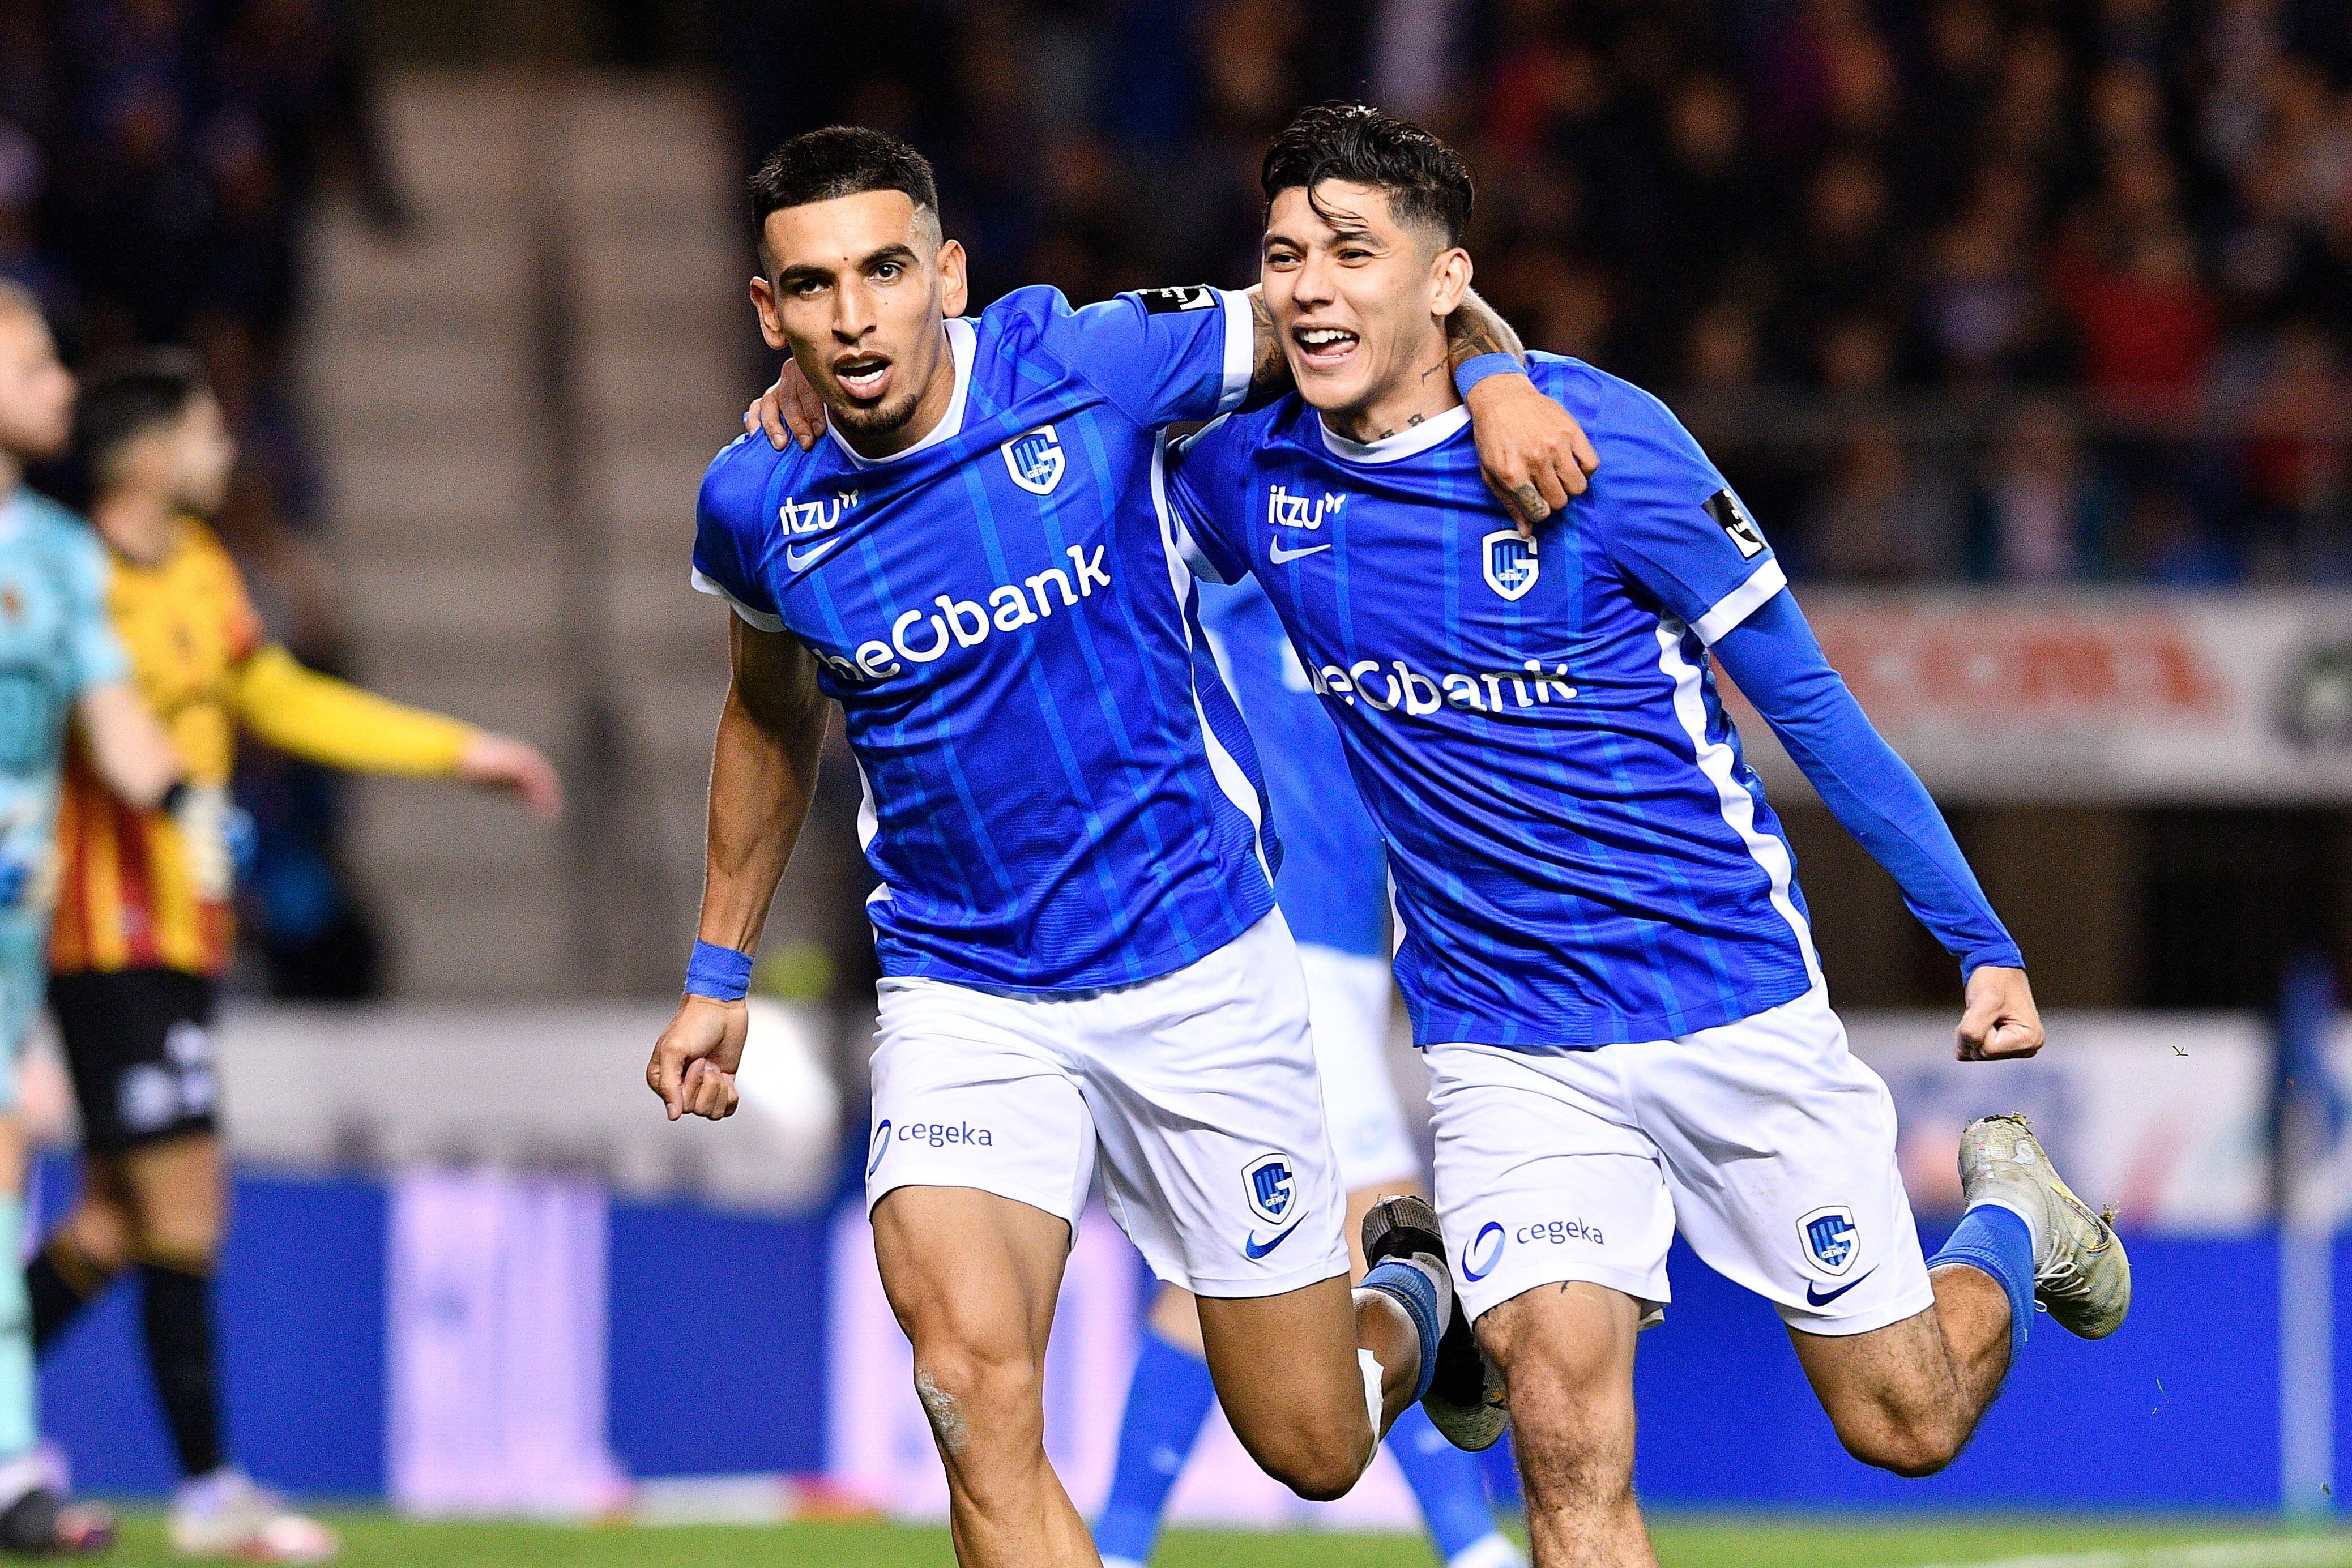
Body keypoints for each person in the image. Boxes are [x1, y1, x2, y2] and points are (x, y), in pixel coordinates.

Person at [1159, 105, 2131, 1567]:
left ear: (1444, 278)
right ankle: (1451, 1306)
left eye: (1352, 251)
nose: (1307, 287)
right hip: (1504, 1039)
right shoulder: (1250, 476)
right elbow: (1069, 447)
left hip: (1723, 995)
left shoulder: (1606, 452)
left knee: (1905, 1421)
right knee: (1563, 1438)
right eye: (1284, 254)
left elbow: (1812, 710)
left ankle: (2008, 1211)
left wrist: (1981, 939)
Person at [650, 126, 1594, 1568]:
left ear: (947, 275)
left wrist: (1498, 375)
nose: (855, 317)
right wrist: (719, 966)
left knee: (1316, 1440)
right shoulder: (755, 501)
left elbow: (1378, 308)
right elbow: (766, 712)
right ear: (767, 310)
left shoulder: (1089, 366)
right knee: (968, 1386)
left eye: (887, 271)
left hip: (1196, 967)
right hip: (966, 995)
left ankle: (1407, 1298)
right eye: (816, 286)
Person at [23, 355, 562, 1564]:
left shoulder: (205, 572)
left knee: (118, 1221)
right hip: (104, 939)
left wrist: (455, 750)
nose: (228, 446)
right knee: (185, 1208)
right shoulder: (66, 578)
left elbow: (281, 697)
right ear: (151, 455)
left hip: (181, 940)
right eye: (207, 428)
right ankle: (214, 1492)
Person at [1092, 567, 1525, 1568]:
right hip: (1276, 944)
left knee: (1232, 1262)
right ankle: (1470, 1544)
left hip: (1344, 956)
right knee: (1395, 1236)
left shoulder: (1377, 576)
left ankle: (1117, 1546)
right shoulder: (1233, 550)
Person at [0, 281, 198, 1556]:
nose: (65, 384)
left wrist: (187, 796)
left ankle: (12, 1462)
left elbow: (112, 714)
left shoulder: (61, 554)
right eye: (36, 362)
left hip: (18, 927)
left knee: (13, 1170)